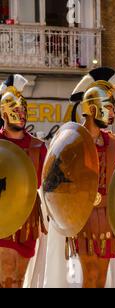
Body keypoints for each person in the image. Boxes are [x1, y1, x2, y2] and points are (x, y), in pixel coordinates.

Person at [66, 67, 115, 288]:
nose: (113, 113)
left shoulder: (114, 142)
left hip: (107, 220)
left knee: (100, 280)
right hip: (82, 217)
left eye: (113, 108)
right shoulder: (72, 139)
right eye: (108, 107)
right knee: (88, 277)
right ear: (91, 109)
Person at [0, 74, 47, 288]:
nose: (21, 114)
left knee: (18, 279)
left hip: (28, 219)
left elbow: (48, 184)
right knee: (5, 277)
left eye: (23, 110)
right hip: (2, 216)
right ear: (4, 113)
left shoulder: (39, 147)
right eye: (15, 110)